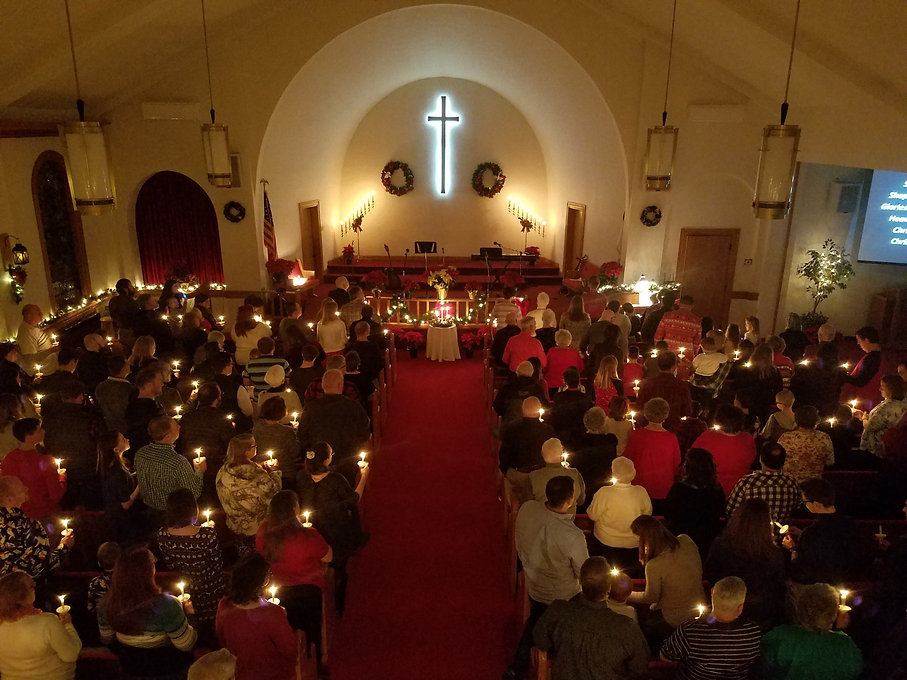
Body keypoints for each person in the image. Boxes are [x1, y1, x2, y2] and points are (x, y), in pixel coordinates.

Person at [503, 476, 588, 680]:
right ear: (569, 501)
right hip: (560, 595)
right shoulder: (573, 536)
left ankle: (518, 667)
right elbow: (584, 574)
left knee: (538, 618)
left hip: (533, 579)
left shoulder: (528, 509)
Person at [532, 557, 650, 680]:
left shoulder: (558, 611)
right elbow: (640, 668)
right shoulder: (627, 627)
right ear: (609, 588)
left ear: (580, 581)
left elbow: (540, 641)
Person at [98, 546, 197, 679]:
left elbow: (107, 639)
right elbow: (186, 645)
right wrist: (188, 614)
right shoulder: (167, 605)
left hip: (130, 669)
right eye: (152, 563)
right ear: (148, 572)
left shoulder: (107, 604)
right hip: (166, 670)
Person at [256, 490, 332, 660]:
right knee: (311, 630)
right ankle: (315, 662)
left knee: (287, 630)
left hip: (279, 591)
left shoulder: (263, 532)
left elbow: (262, 556)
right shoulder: (307, 535)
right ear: (295, 510)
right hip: (309, 592)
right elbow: (328, 556)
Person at [296, 441, 369, 616]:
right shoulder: (335, 480)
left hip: (312, 528)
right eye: (331, 454)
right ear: (326, 459)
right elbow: (352, 501)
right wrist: (364, 475)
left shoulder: (302, 477)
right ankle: (338, 606)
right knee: (338, 566)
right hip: (335, 529)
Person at [156, 488, 228, 643]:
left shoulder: (162, 535)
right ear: (193, 508)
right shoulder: (207, 535)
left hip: (185, 590)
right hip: (210, 591)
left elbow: (170, 564)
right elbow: (217, 565)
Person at [704, 498, 786, 630]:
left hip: (725, 609)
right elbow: (778, 587)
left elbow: (710, 575)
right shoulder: (773, 553)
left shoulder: (720, 545)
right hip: (760, 614)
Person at [659, 576, 761, 680]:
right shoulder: (753, 632)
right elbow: (753, 661)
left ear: (712, 592)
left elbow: (666, 657)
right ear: (740, 608)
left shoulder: (690, 630)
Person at [215, 553, 297, 680]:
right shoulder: (274, 613)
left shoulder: (224, 605)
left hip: (238, 672)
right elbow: (289, 650)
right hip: (271, 674)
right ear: (263, 581)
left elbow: (222, 640)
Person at [760, 583, 863, 680]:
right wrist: (840, 630)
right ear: (834, 612)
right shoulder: (844, 645)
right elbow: (853, 670)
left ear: (800, 608)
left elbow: (764, 667)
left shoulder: (780, 636)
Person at [628, 514, 705, 634]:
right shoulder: (686, 540)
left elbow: (651, 597)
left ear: (646, 541)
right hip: (700, 608)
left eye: (639, 541)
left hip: (675, 618)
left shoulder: (655, 565)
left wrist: (627, 594)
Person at [0, 570, 82, 680]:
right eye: (31, 586)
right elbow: (71, 655)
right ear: (21, 596)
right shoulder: (47, 622)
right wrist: (68, 625)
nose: (35, 587)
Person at [297, 369, 370, 485]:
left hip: (318, 464)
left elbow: (302, 436)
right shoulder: (354, 407)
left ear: (323, 386)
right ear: (341, 385)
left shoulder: (310, 408)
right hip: (348, 463)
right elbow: (365, 434)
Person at [783, 478, 857, 585]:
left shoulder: (811, 534)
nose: (804, 505)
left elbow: (800, 571)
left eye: (805, 502)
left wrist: (792, 549)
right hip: (847, 581)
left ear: (816, 504)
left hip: (819, 587)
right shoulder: (850, 524)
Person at [216, 434, 282, 553]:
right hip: (258, 527)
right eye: (254, 445)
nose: (257, 447)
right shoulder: (256, 473)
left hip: (235, 524)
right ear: (246, 451)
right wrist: (274, 472)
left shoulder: (223, 470)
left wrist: (261, 466)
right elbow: (274, 492)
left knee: (245, 556)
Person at [586, 456, 651, 574]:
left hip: (606, 543)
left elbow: (592, 515)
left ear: (613, 473)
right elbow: (647, 515)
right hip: (633, 544)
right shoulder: (641, 492)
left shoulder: (604, 492)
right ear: (633, 473)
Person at [0, 475, 73, 579]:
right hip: (20, 589)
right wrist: (64, 547)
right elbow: (41, 567)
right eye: (21, 488)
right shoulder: (28, 526)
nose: (27, 488)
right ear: (9, 500)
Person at [42, 378, 100, 509]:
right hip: (87, 468)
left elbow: (45, 440)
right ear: (81, 396)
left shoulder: (49, 418)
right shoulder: (90, 416)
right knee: (88, 507)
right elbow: (99, 439)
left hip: (59, 468)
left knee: (65, 506)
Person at [134, 416, 205, 521]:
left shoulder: (140, 453)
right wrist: (200, 471)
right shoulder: (177, 462)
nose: (180, 427)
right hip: (172, 515)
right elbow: (193, 494)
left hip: (149, 511)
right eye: (176, 427)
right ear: (167, 436)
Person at [664, 448, 725, 556]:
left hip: (681, 540)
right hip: (707, 540)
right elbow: (720, 511)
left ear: (688, 467)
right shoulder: (716, 489)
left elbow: (669, 514)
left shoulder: (679, 489)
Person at [0, 418, 65, 519]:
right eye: (39, 430)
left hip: (17, 515)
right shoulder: (46, 461)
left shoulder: (8, 459)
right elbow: (55, 495)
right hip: (43, 513)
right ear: (28, 437)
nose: (43, 431)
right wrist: (62, 478)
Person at [725, 441, 801, 524]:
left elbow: (730, 511)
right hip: (781, 535)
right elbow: (797, 508)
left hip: (750, 534)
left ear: (760, 459)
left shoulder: (746, 483)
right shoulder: (792, 483)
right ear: (783, 461)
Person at [498, 396, 556, 503]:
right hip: (541, 477)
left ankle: (513, 510)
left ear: (523, 411)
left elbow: (504, 456)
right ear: (539, 412)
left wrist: (506, 471)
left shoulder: (512, 428)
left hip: (518, 475)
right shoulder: (548, 431)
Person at [622, 397, 680, 502]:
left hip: (639, 489)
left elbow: (627, 459)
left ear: (646, 414)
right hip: (664, 489)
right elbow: (676, 465)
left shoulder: (637, 435)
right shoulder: (671, 438)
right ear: (665, 416)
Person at [691, 405, 757, 495]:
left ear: (718, 419)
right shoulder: (748, 438)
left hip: (710, 490)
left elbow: (692, 458)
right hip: (740, 490)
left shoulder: (707, 437)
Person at [97, 431, 142, 542]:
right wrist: (140, 486)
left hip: (113, 517)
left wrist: (136, 474)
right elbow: (125, 504)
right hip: (121, 521)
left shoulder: (110, 466)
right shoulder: (118, 472)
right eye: (122, 439)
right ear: (116, 449)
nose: (127, 439)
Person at [570, 406, 618, 501]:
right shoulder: (609, 442)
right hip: (603, 486)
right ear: (603, 423)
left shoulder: (577, 442)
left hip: (583, 485)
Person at [636, 351, 692, 431]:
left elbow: (639, 407)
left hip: (650, 426)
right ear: (674, 366)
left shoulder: (647, 384)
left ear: (658, 365)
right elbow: (687, 411)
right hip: (672, 427)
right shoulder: (681, 386)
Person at [252, 397, 302, 487]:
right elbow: (295, 452)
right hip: (285, 473)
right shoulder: (286, 432)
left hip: (263, 472)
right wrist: (296, 432)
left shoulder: (256, 429)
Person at [778, 405, 835, 483]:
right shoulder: (823, 438)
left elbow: (777, 461)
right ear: (816, 420)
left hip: (789, 484)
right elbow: (830, 462)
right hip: (813, 485)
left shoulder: (785, 438)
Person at [528, 438, 586, 515]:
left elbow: (527, 502)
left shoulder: (533, 476)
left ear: (542, 454)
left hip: (542, 522)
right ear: (561, 455)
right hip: (568, 522)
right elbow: (581, 501)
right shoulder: (574, 473)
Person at [733, 343, 783, 425]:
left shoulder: (746, 370)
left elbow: (737, 386)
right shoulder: (774, 371)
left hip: (747, 404)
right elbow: (779, 389)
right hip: (764, 406)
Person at [858, 373, 907, 457]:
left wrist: (864, 418)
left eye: (882, 386)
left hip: (874, 451)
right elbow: (881, 422)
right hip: (887, 447)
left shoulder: (886, 407)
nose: (880, 389)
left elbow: (869, 426)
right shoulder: (902, 405)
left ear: (891, 389)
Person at [493, 361, 549, 426]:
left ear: (517, 372)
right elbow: (545, 407)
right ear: (531, 373)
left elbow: (497, 406)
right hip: (532, 429)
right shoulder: (537, 389)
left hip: (510, 428)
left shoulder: (507, 388)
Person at [549, 367, 593, 449]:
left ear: (565, 381)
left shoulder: (558, 397)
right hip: (582, 435)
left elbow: (554, 416)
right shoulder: (586, 398)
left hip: (563, 434)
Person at [124, 366, 166, 452]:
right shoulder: (151, 409)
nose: (163, 384)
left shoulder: (132, 405)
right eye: (160, 381)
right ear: (149, 385)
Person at [96, 355, 138, 435]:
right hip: (127, 429)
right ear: (123, 369)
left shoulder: (100, 387)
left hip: (108, 428)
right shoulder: (130, 389)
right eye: (127, 364)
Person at [15, 304, 53, 374]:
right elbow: (30, 359)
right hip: (44, 369)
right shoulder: (26, 332)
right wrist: (51, 350)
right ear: (29, 316)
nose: (41, 314)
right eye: (38, 313)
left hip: (49, 362)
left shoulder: (32, 327)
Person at [88, 541, 121, 613]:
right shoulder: (127, 578)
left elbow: (91, 608)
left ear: (99, 563)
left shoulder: (95, 582)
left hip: (103, 622)